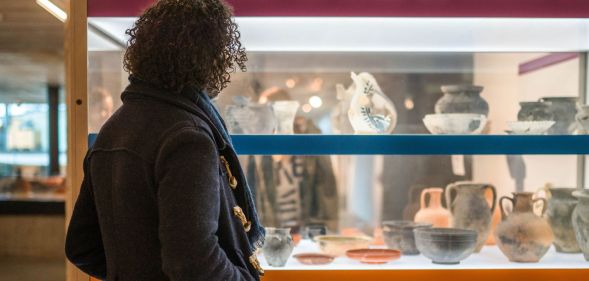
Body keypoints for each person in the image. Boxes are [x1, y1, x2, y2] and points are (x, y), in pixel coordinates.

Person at [65, 1, 264, 280]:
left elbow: (82, 247)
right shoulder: (188, 137)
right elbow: (194, 264)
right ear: (209, 57)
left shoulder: (114, 127)